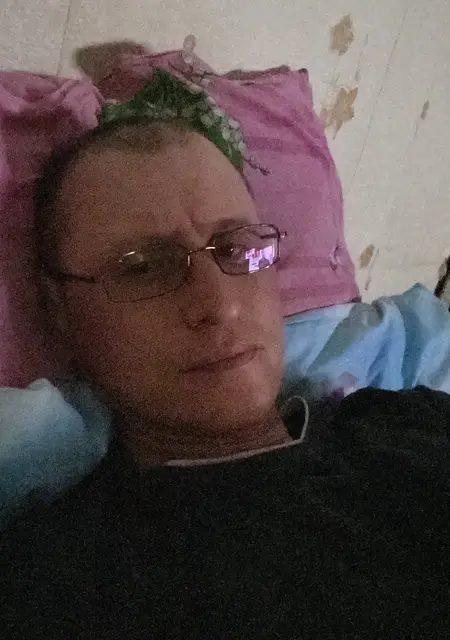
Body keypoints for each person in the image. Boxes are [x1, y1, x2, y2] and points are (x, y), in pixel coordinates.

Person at [2, 73, 450, 639]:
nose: (220, 304)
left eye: (238, 248)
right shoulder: (55, 586)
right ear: (60, 312)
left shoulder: (410, 425)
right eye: (144, 267)